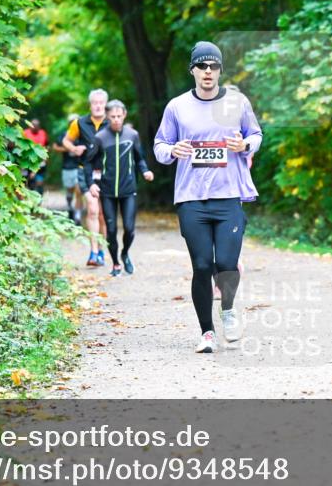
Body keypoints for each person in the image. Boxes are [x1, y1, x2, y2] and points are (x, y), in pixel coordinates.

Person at [153, 41, 262, 353]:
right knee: (202, 265)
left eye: (213, 66)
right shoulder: (176, 107)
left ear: (219, 71)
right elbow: (160, 146)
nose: (208, 72)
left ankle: (227, 308)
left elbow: (255, 135)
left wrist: (244, 146)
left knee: (227, 263)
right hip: (191, 198)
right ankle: (207, 333)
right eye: (202, 66)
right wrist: (172, 150)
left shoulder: (238, 103)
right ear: (193, 71)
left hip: (228, 196)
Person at [84, 100, 154, 277]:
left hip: (128, 189)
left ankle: (125, 253)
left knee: (129, 229)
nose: (116, 119)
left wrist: (145, 171)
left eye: (119, 116)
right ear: (107, 116)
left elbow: (139, 158)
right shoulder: (100, 138)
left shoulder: (132, 135)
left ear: (124, 115)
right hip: (107, 191)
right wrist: (91, 183)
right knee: (111, 229)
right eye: (112, 116)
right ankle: (115, 262)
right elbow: (88, 162)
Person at [63, 89, 110, 266]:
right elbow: (66, 141)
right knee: (92, 208)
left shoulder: (111, 122)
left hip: (106, 173)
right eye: (94, 103)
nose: (98, 106)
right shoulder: (79, 123)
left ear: (105, 105)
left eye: (101, 103)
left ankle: (102, 249)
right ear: (90, 105)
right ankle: (93, 252)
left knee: (103, 215)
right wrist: (73, 149)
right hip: (85, 171)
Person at [53, 112, 86, 224]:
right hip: (67, 167)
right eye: (72, 121)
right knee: (70, 190)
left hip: (79, 166)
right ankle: (69, 206)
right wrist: (69, 149)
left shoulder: (83, 135)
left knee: (79, 190)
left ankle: (77, 216)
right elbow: (55, 147)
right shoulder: (64, 135)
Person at [22, 118, 48, 196]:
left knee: (39, 182)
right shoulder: (25, 133)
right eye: (33, 125)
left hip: (40, 161)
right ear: (30, 126)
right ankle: (30, 199)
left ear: (39, 126)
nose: (35, 127)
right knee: (29, 181)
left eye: (37, 126)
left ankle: (39, 198)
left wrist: (46, 159)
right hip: (28, 161)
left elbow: (47, 146)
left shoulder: (43, 133)